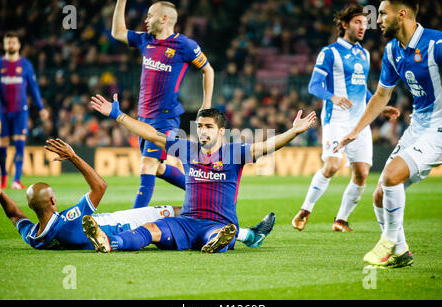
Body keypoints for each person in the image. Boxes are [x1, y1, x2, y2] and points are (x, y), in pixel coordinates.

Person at [85, 93, 316, 253]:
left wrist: (293, 132)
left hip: (218, 224)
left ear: (221, 131)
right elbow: (152, 134)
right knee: (151, 229)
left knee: (218, 235)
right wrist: (118, 115)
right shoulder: (187, 149)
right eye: (199, 126)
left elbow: (266, 146)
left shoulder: (235, 153)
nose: (203, 131)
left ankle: (219, 241)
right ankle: (109, 241)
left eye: (209, 127)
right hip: (186, 222)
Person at [0, 138, 275, 250]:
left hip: (116, 223)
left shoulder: (34, 237)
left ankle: (247, 235)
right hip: (127, 220)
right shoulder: (68, 221)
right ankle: (248, 235)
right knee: (189, 212)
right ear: (54, 201)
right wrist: (73, 157)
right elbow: (100, 186)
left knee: (190, 210)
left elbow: (14, 215)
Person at [336, 0, 442, 268]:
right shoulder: (393, 50)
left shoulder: (437, 44)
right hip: (417, 127)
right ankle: (401, 251)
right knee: (381, 194)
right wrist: (357, 129)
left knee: (392, 175)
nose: (378, 19)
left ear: (402, 14)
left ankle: (387, 241)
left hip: (440, 127)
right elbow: (382, 95)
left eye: (383, 13)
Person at [291, 5, 399, 232]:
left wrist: (381, 107)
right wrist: (333, 97)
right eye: (357, 22)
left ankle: (340, 220)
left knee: (361, 173)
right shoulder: (329, 53)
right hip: (336, 119)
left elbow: (362, 90)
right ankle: (304, 211)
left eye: (364, 23)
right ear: (344, 24)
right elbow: (314, 85)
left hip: (360, 122)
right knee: (332, 165)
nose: (362, 27)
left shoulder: (364, 54)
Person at [111, 0, 215, 208]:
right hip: (144, 117)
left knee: (147, 165)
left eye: (149, 15)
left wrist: (206, 105)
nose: (146, 20)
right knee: (158, 168)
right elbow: (117, 32)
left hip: (165, 118)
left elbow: (208, 70)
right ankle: (204, 190)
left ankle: (132, 221)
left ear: (164, 18)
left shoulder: (185, 45)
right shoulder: (145, 40)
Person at [0, 31, 49, 190]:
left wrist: (41, 107)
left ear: (18, 45)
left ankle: (16, 179)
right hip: (3, 112)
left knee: (20, 143)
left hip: (21, 111)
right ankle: (4, 176)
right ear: (4, 45)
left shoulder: (25, 65)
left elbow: (33, 87)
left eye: (13, 42)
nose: (11, 45)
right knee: (2, 144)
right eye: (8, 42)